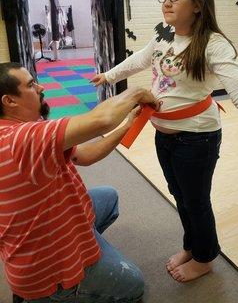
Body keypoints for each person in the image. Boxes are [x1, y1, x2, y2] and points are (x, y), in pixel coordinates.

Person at [91, 0, 238, 283]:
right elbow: (140, 59)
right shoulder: (164, 32)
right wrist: (109, 75)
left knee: (196, 201)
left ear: (199, 4)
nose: (167, 3)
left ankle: (204, 257)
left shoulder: (214, 45)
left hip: (196, 140)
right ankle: (192, 245)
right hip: (163, 136)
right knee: (179, 195)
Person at [0, 61, 159, 302]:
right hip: (47, 273)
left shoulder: (30, 127)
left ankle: (85, 242)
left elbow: (85, 156)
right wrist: (137, 92)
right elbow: (102, 119)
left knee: (108, 196)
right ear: (9, 101)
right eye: (32, 85)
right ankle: (64, 290)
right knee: (134, 286)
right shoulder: (20, 139)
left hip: (51, 223)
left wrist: (127, 125)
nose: (41, 87)